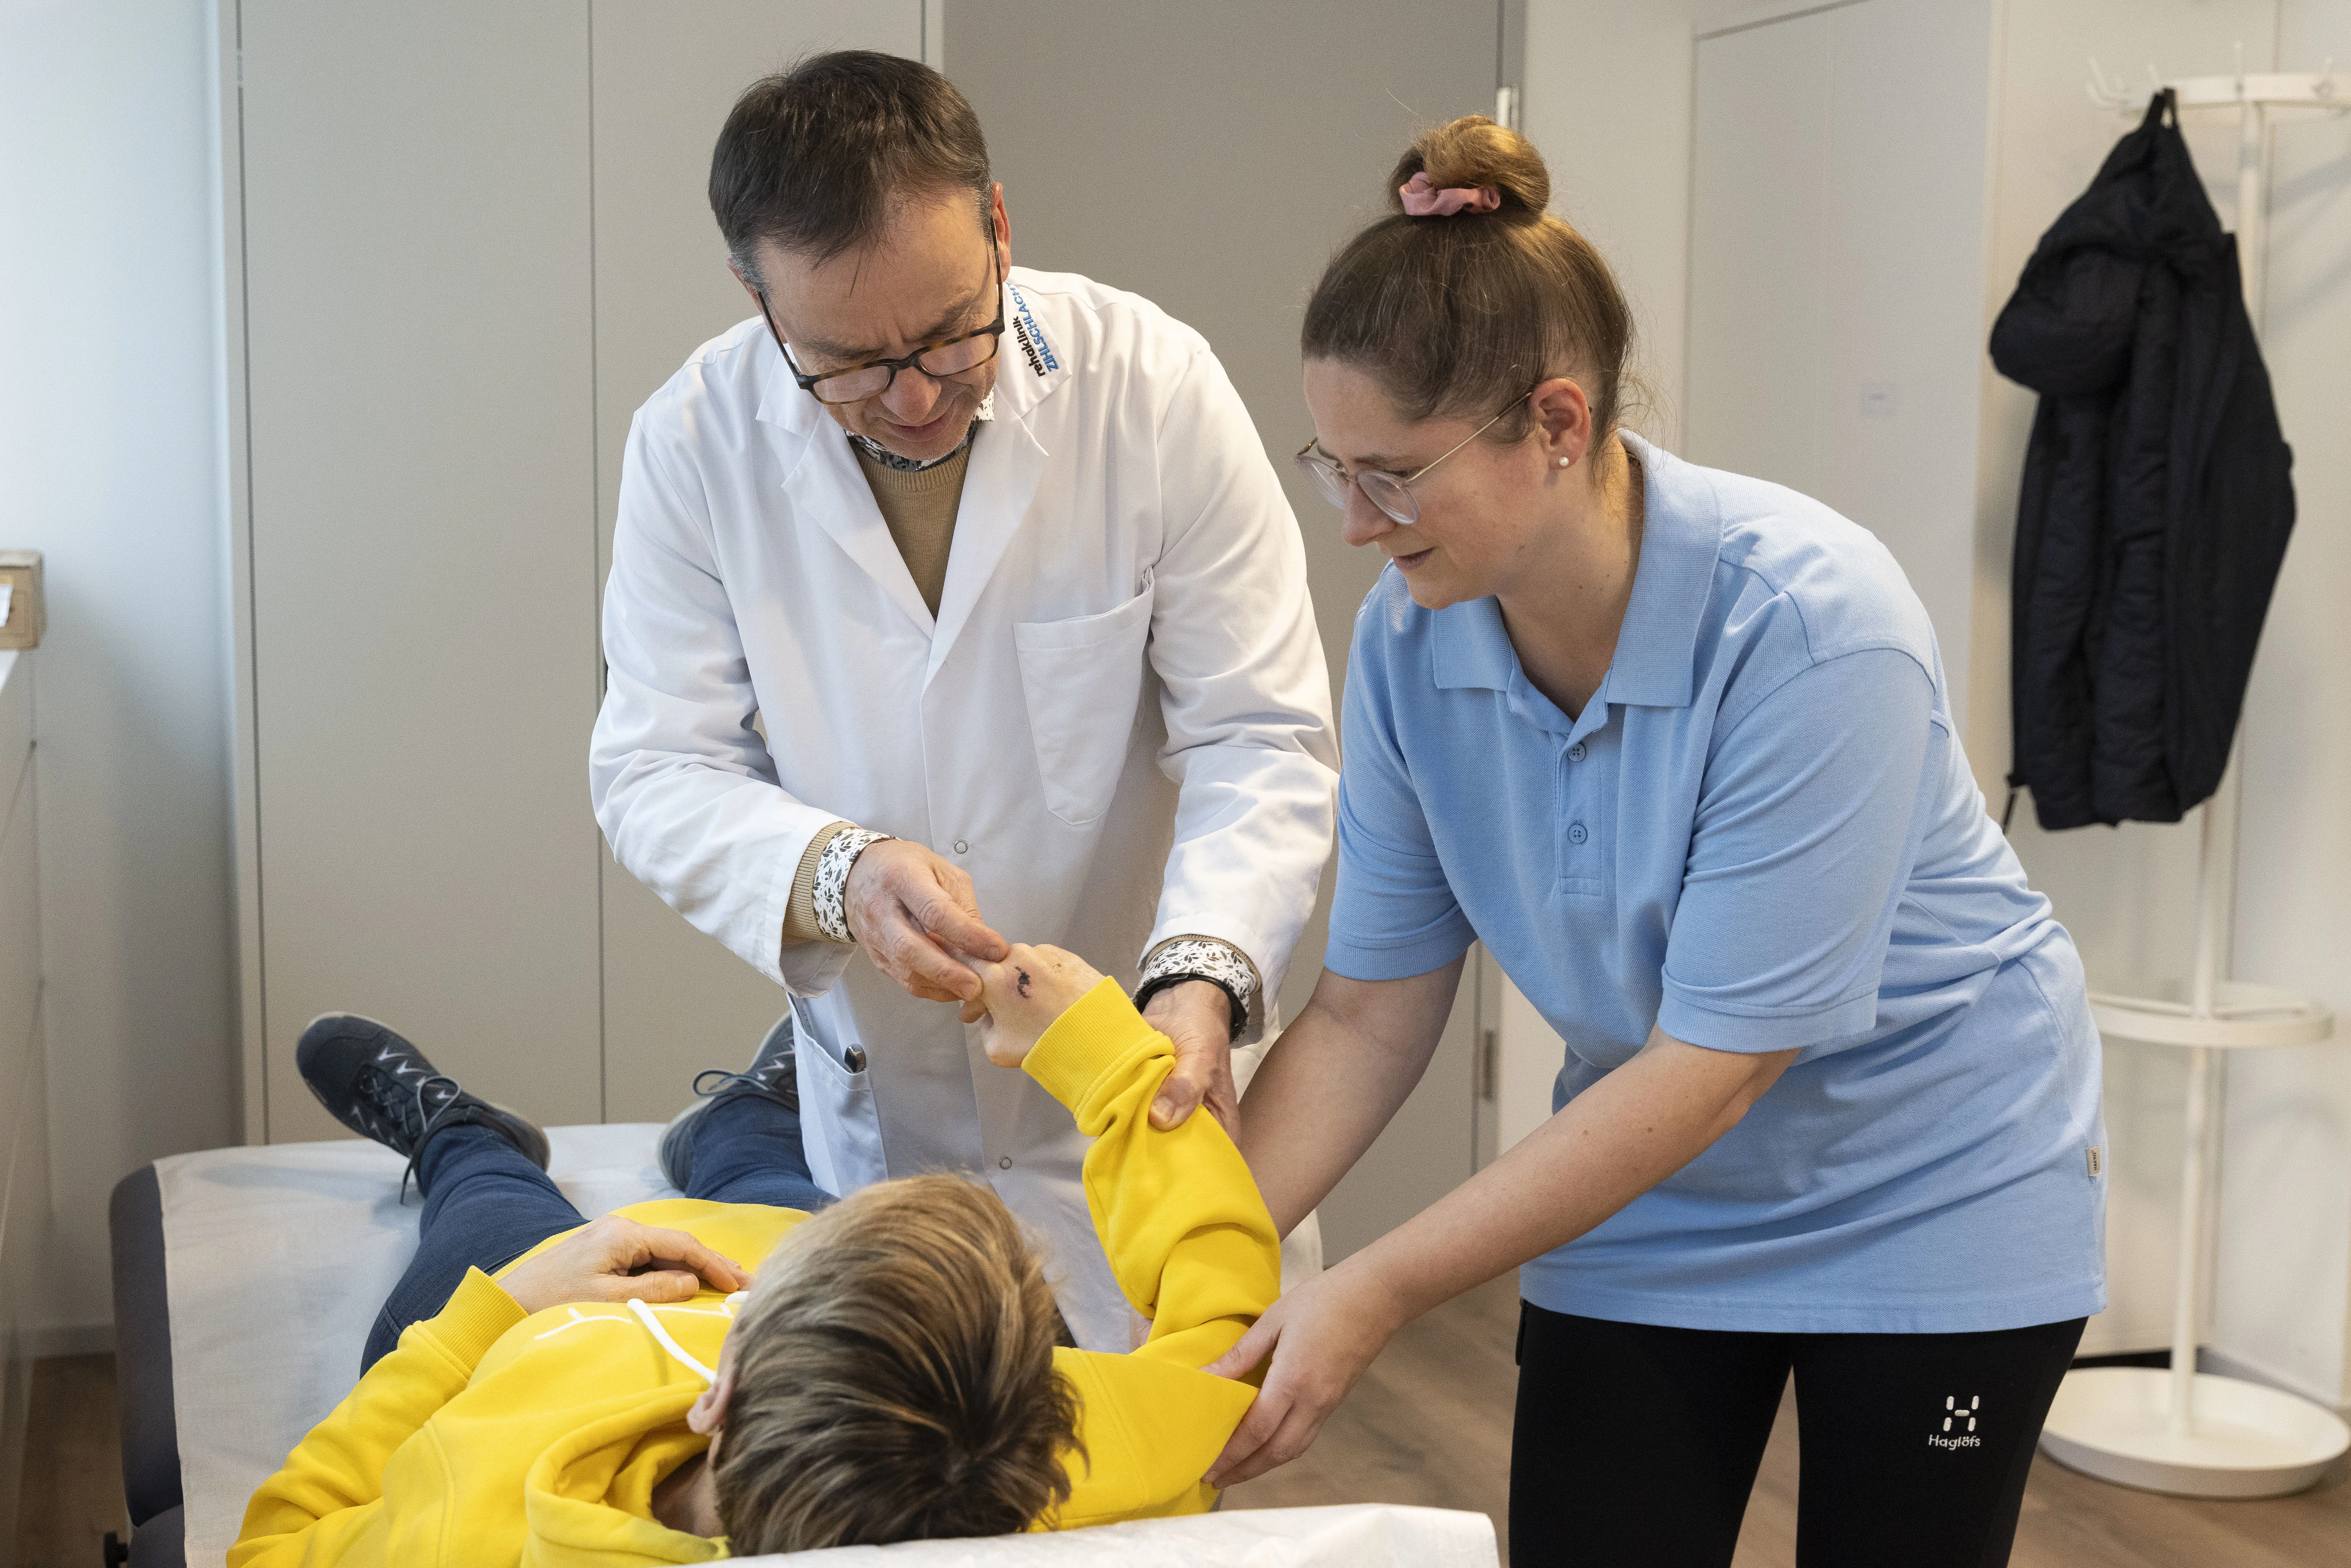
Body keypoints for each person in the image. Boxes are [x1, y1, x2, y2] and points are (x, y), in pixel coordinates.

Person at [1204, 119, 2106, 1567]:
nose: (1357, 524)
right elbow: (1371, 1012)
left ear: (1557, 424)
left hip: (1938, 1177)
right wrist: (1178, 1261)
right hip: (1657, 1180)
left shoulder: (1812, 627)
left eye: (1396, 475)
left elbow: (1715, 1067)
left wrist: (1370, 1288)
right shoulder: (1411, 640)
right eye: (1335, 468)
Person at [588, 51, 1336, 1352]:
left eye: (948, 334)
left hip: (1146, 1088)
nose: (919, 395)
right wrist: (840, 874)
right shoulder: (695, 443)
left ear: (999, 225)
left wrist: (1201, 978)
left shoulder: (1149, 389)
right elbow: (655, 767)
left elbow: (1260, 734)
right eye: (852, 365)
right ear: (756, 296)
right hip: (890, 1121)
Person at [231, 943, 1279, 1564]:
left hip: (556, 1320)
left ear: (716, 1394)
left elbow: (273, 1547)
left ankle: (459, 1134)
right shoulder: (1051, 1479)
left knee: (492, 1212)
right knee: (777, 1184)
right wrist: (1095, 1049)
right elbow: (1228, 1329)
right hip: (773, 1267)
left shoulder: (473, 1515)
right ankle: (749, 1118)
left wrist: (496, 1311)